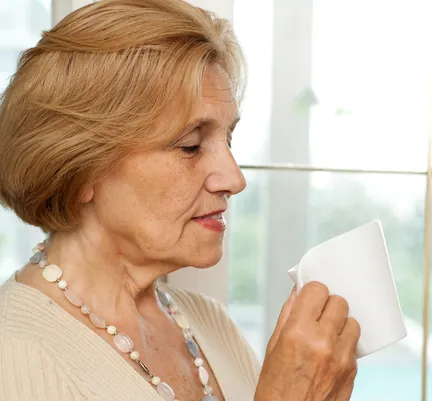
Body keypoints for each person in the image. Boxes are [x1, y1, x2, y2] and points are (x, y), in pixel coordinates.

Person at [0, 0, 361, 400]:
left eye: (228, 139)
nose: (234, 179)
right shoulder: (16, 357)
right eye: (190, 146)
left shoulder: (208, 322)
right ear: (81, 170)